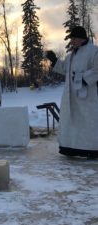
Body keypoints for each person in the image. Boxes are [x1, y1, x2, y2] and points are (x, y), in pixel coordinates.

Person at [46, 26, 98, 159]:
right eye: (71, 39)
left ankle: (91, 149)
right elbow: (64, 69)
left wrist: (83, 78)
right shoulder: (71, 55)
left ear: (81, 38)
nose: (72, 41)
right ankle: (71, 148)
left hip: (87, 97)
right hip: (71, 97)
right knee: (72, 123)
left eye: (74, 38)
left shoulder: (94, 51)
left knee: (88, 124)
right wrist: (54, 60)